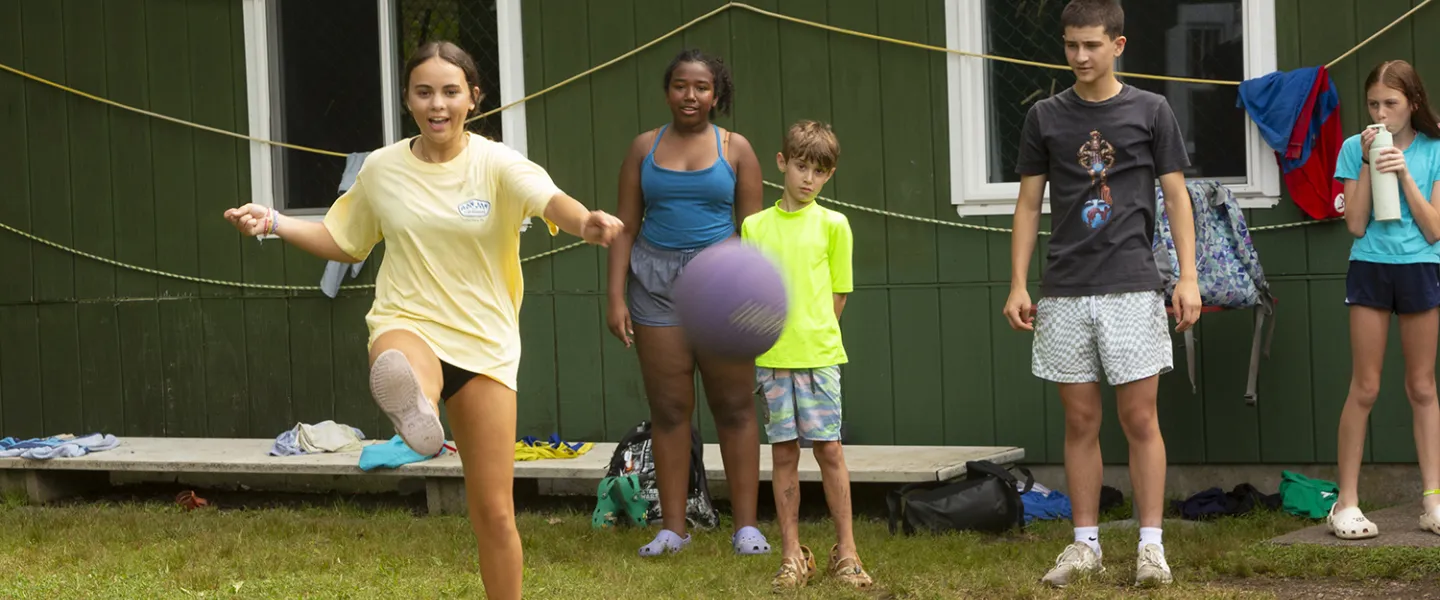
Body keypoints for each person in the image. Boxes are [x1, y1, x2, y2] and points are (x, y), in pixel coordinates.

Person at [222, 41, 623, 600]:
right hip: (406, 320)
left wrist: (587, 223)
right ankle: (418, 407)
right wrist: (274, 222)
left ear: (474, 98)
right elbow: (343, 238)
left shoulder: (497, 162)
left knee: (495, 514)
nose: (438, 104)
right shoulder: (383, 168)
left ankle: (423, 420)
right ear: (408, 99)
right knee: (400, 360)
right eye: (424, 92)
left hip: (485, 344)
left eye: (451, 92)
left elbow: (549, 199)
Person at [1000, 0, 1200, 588]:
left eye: (1091, 44)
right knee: (1080, 420)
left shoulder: (1152, 110)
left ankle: (1151, 547)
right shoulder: (1044, 116)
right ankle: (1084, 545)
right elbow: (1029, 204)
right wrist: (1018, 282)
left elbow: (1177, 197)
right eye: (1071, 45)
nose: (1080, 56)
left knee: (1140, 418)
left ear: (1118, 44)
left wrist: (1188, 276)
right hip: (1064, 290)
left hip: (1134, 286)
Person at [607, 48, 768, 557]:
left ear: (716, 95)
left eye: (701, 87)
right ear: (668, 91)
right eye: (680, 85)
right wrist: (614, 295)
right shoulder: (642, 148)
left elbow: (753, 234)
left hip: (721, 285)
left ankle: (747, 528)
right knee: (670, 409)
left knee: (736, 405)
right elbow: (625, 227)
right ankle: (672, 529)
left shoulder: (736, 149)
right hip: (653, 285)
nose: (690, 96)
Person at [740, 120, 870, 589]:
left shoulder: (835, 225)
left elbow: (839, 295)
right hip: (772, 359)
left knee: (830, 450)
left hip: (820, 357)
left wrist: (813, 336)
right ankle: (793, 555)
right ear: (782, 163)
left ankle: (847, 552)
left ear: (829, 175)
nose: (808, 179)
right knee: (783, 455)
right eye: (801, 167)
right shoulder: (754, 226)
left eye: (820, 171)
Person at [1329, 59, 1440, 541]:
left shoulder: (1435, 149)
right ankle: (1346, 504)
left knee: (1421, 387)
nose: (1381, 112)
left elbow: (1435, 229)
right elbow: (1354, 224)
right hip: (1371, 266)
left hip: (1421, 268)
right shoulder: (1356, 146)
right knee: (1366, 387)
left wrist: (1403, 174)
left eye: (1390, 104)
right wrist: (1373, 161)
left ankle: (1433, 501)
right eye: (1373, 103)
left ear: (1412, 103)